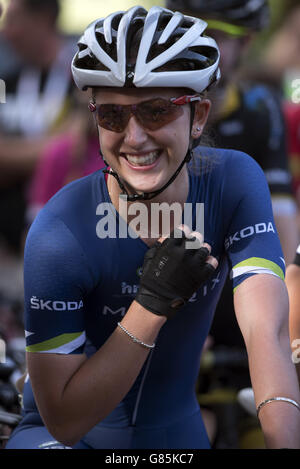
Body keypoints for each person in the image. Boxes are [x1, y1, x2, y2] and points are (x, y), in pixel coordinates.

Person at [5, 6, 300, 450]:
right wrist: (152, 305)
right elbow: (64, 421)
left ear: (199, 115)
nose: (135, 137)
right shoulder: (60, 229)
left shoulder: (234, 181)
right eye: (111, 116)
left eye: (157, 111)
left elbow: (268, 333)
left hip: (174, 435)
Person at [0, 0, 76, 255]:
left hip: (65, 243)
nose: (6, 32)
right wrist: (54, 148)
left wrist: (13, 154)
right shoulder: (4, 82)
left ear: (43, 19)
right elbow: (66, 146)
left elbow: (79, 151)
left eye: (13, 20)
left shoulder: (82, 82)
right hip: (10, 246)